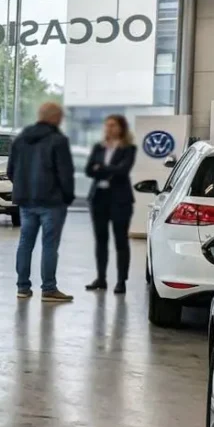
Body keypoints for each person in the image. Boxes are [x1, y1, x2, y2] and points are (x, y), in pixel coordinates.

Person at [8, 102, 76, 302]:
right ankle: (49, 289)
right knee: (49, 245)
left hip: (26, 201)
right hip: (52, 202)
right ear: (54, 117)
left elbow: (11, 170)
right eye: (60, 116)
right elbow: (65, 173)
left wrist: (23, 188)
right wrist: (67, 196)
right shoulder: (58, 140)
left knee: (25, 243)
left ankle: (22, 287)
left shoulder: (20, 139)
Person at [84, 115, 137, 294]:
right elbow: (89, 170)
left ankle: (121, 280)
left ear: (121, 128)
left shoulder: (129, 148)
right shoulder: (98, 147)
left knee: (120, 240)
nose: (109, 129)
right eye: (106, 125)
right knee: (101, 239)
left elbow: (123, 170)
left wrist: (102, 168)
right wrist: (104, 170)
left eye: (113, 125)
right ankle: (101, 278)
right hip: (99, 197)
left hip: (120, 199)